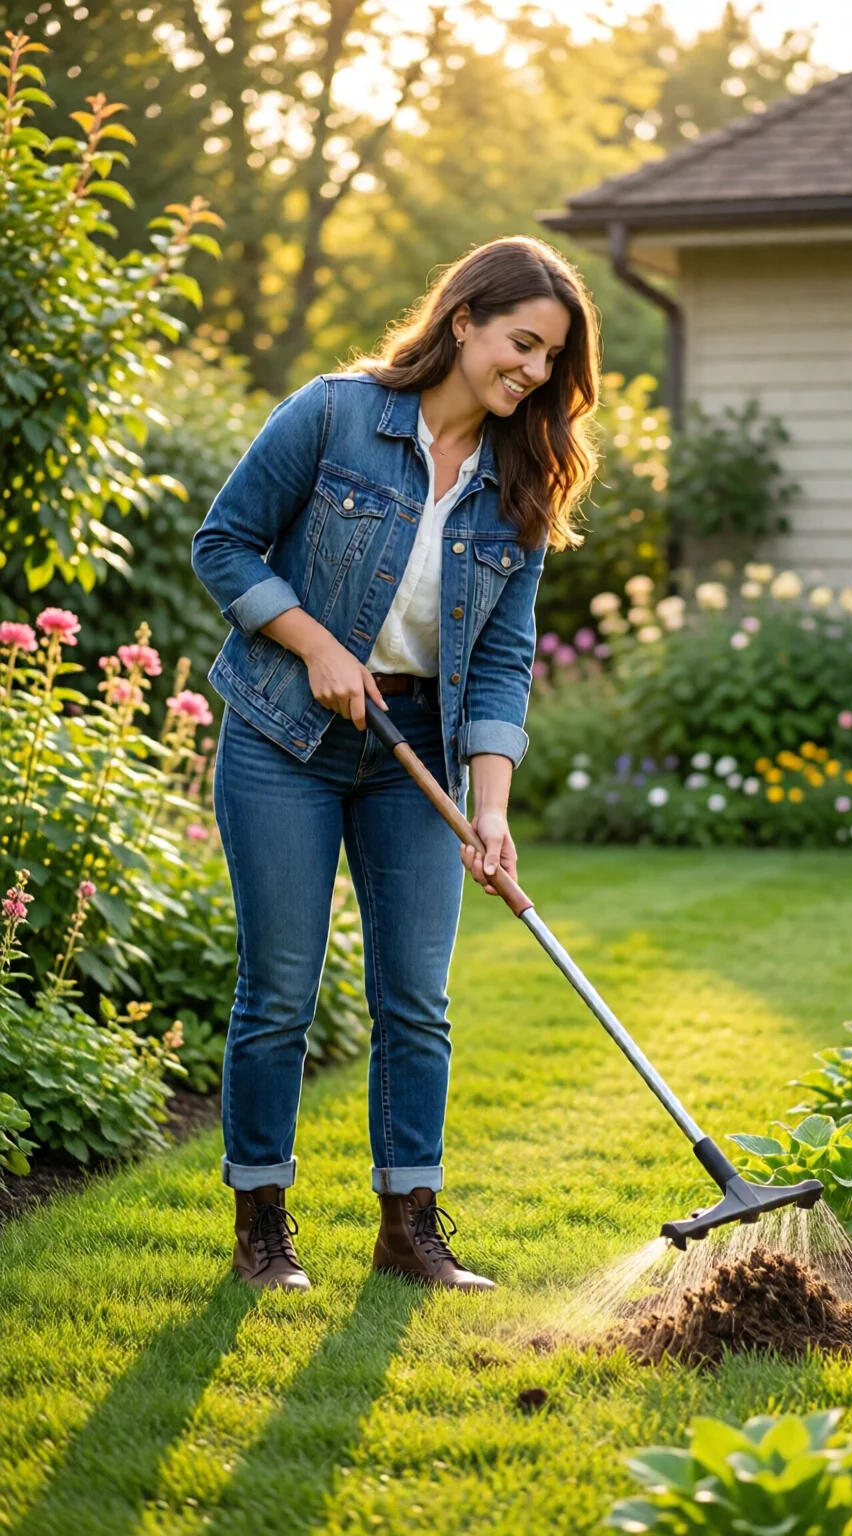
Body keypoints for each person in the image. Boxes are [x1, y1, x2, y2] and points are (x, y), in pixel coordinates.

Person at [191, 235, 600, 1295]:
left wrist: (492, 808)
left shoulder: (521, 481)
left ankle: (408, 1227)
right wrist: (317, 643)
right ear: (462, 320)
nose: (534, 371)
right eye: (522, 343)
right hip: (285, 734)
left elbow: (504, 659)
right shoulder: (332, 414)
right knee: (278, 991)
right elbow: (224, 543)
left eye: (552, 358)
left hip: (416, 744)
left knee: (416, 998)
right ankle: (261, 1229)